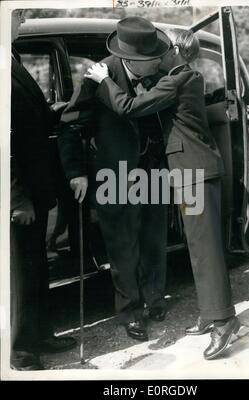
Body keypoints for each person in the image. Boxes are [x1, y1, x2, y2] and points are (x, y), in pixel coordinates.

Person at [84, 29, 239, 360]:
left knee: (206, 252)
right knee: (199, 251)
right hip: (192, 171)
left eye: (161, 51)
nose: (154, 57)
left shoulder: (178, 79)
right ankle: (211, 314)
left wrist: (103, 81)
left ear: (175, 53)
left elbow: (129, 106)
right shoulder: (184, 76)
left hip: (193, 172)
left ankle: (224, 321)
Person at [59, 17, 171, 342]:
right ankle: (132, 312)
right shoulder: (98, 77)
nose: (160, 61)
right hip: (114, 173)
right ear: (133, 59)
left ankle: (155, 297)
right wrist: (76, 172)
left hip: (153, 170)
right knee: (123, 246)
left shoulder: (158, 75)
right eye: (154, 58)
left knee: (154, 237)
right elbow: (70, 124)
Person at [10, 9, 76, 371]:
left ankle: (40, 335)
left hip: (35, 188)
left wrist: (56, 110)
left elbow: (29, 118)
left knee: (36, 267)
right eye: (17, 14)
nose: (20, 19)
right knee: (19, 273)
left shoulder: (13, 59)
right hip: (19, 195)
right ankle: (19, 349)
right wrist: (16, 197)